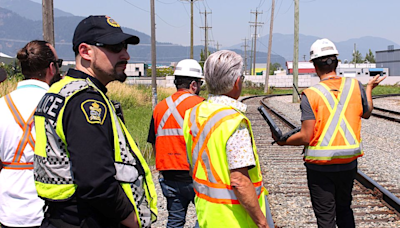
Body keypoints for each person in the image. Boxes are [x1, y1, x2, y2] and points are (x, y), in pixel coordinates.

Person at [33, 15, 157, 228]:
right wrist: (131, 218)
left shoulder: (60, 90)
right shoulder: (86, 102)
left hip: (63, 216)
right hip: (86, 219)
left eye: (125, 46)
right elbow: (95, 182)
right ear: (85, 51)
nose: (125, 54)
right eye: (115, 47)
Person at [274, 38, 386, 228]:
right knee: (344, 210)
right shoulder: (354, 86)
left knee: (326, 218)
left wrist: (283, 142)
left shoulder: (311, 94)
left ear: (314, 66)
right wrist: (368, 88)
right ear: (337, 63)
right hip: (348, 164)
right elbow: (366, 113)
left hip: (321, 169)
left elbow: (306, 136)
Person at [183, 50, 271, 228]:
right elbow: (239, 181)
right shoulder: (233, 122)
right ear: (237, 82)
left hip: (207, 213)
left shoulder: (193, 114)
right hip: (234, 219)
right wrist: (262, 222)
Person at [0, 40, 61, 228]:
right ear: (52, 68)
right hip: (48, 206)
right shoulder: (59, 105)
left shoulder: (2, 105)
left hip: (8, 208)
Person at [147, 59, 204, 228]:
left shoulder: (159, 107)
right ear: (193, 84)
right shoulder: (201, 106)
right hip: (195, 176)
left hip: (169, 176)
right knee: (204, 220)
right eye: (200, 83)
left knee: (175, 220)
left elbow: (153, 142)